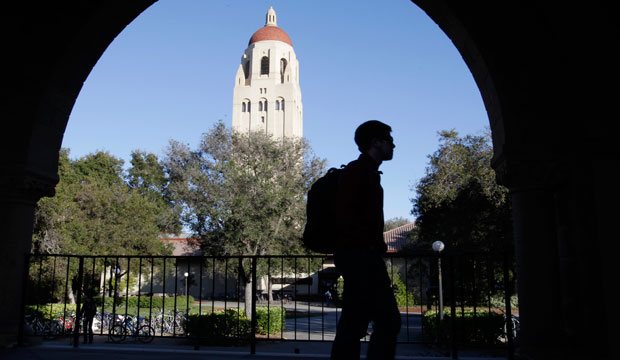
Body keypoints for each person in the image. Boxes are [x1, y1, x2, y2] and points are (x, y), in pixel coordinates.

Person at [330, 120, 401, 360]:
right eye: (389, 140)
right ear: (376, 143)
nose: (394, 145)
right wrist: (369, 247)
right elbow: (346, 216)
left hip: (357, 256)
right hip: (360, 258)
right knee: (388, 320)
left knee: (353, 322)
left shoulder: (367, 173)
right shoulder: (357, 172)